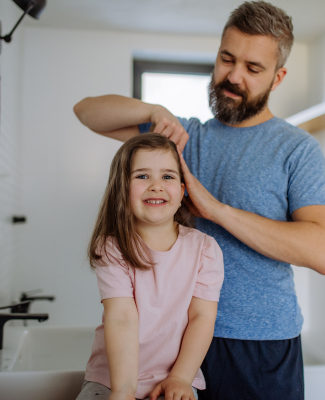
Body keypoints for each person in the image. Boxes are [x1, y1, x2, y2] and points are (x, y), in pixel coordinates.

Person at [74, 2, 325, 398]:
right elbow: (87, 112)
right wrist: (151, 109)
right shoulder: (182, 137)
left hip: (259, 344)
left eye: (252, 69)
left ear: (277, 77)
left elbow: (322, 252)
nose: (232, 77)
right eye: (226, 59)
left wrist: (216, 210)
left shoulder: (297, 150)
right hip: (175, 342)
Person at [77, 134, 224, 400]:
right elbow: (121, 317)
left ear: (182, 191)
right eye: (142, 176)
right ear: (122, 189)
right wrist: (123, 391)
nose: (156, 186)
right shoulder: (112, 247)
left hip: (176, 376)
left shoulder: (205, 249)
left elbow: (201, 318)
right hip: (111, 380)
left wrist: (180, 377)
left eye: (167, 177)